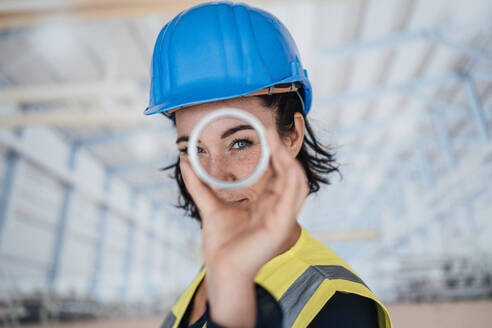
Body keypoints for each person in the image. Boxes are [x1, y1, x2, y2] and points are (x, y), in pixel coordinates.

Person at [144, 2, 392, 327]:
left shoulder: (337, 307)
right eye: (194, 150)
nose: (216, 179)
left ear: (292, 136)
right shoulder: (210, 275)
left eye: (240, 143)